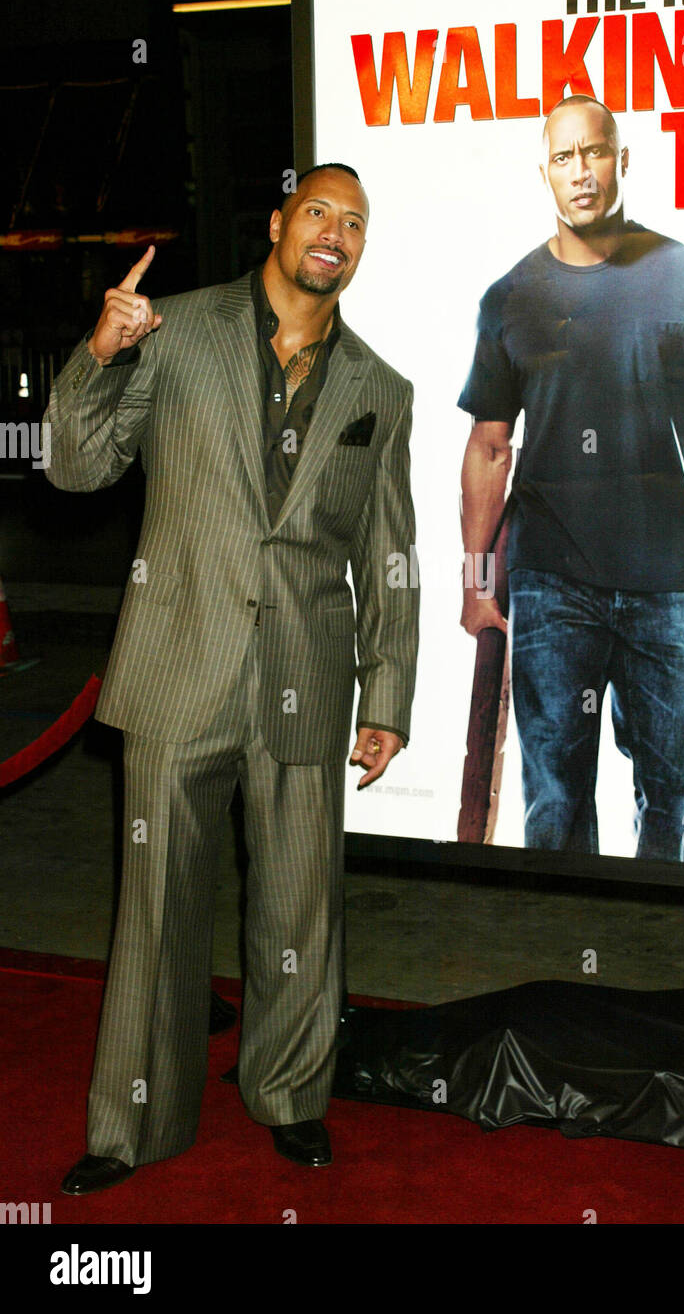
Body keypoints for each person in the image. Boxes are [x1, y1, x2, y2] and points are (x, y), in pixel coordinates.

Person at [45, 162, 419, 1193]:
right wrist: (99, 352)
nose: (334, 233)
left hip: (307, 674)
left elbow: (391, 552)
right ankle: (130, 1123)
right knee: (157, 905)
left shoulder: (379, 389)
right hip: (178, 667)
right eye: (318, 213)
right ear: (278, 222)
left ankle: (292, 1095)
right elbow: (74, 466)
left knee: (301, 906)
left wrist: (388, 694)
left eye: (355, 221)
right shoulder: (176, 331)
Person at [458, 96, 684, 862]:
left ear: (623, 160)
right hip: (551, 582)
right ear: (544, 171)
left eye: (596, 152)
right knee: (556, 802)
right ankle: (565, 955)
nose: (582, 171)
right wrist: (479, 580)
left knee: (680, 796)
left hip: (664, 580)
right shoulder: (511, 297)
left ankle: (653, 949)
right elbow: (488, 446)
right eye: (566, 157)